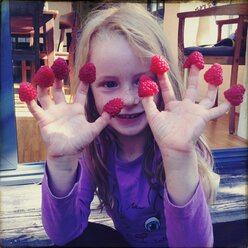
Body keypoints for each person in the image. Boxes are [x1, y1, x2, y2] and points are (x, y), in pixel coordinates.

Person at [27, 3, 231, 247]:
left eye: (142, 81)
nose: (129, 99)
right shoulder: (95, 148)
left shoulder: (185, 145)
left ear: (163, 81)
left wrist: (178, 160)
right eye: (110, 84)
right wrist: (61, 162)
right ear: (89, 90)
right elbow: (64, 234)